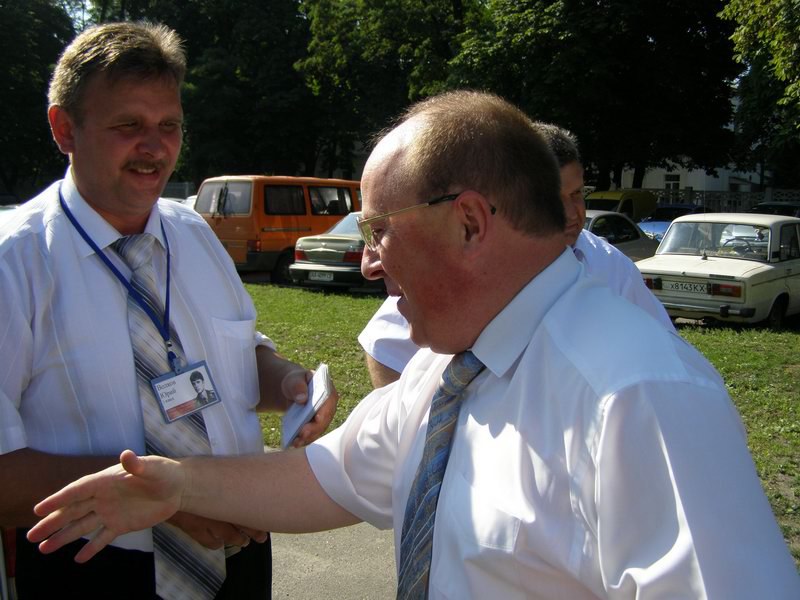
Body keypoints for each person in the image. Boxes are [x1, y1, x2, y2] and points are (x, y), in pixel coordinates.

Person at [28, 90, 800, 599]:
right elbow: (326, 478)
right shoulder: (445, 369)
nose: (367, 262)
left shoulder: (638, 395)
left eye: (379, 231)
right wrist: (177, 485)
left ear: (469, 222)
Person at [0, 22, 337, 600]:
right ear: (64, 129)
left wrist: (287, 382)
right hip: (96, 570)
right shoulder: (14, 263)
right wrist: (167, 497)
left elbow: (238, 356)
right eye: (128, 126)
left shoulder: (195, 233)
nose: (155, 148)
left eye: (169, 126)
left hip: (239, 554)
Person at [358, 122, 675, 387]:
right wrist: (416, 428)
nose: (570, 212)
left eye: (576, 193)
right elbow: (383, 343)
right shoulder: (463, 270)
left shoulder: (610, 265)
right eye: (553, 198)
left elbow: (664, 348)